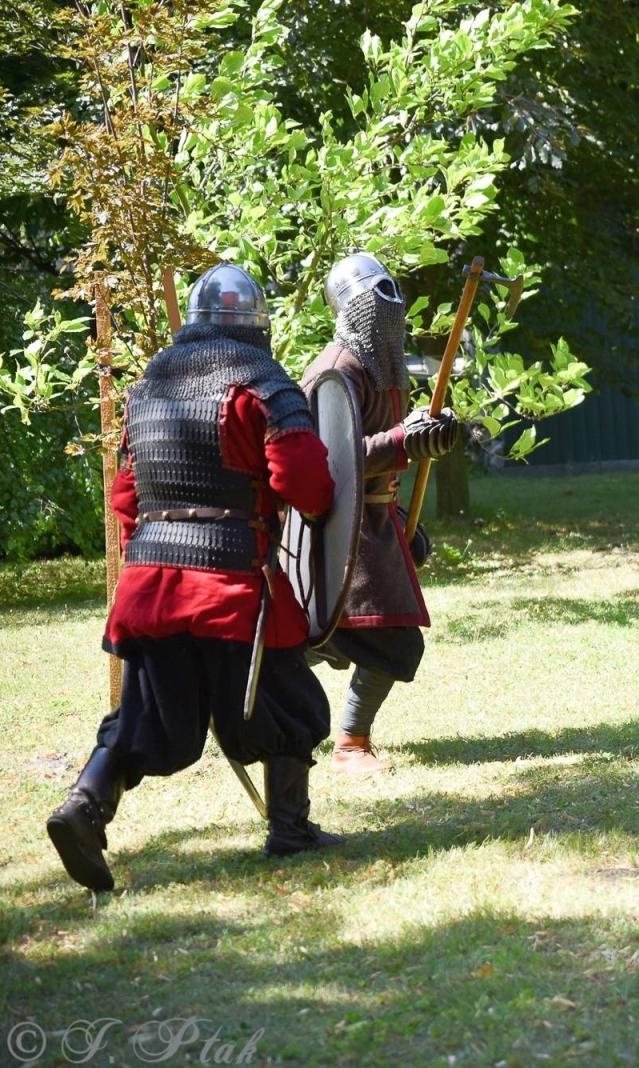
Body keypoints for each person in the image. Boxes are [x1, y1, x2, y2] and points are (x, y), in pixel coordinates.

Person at [45, 263, 342, 893]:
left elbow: (126, 496)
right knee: (287, 702)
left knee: (149, 720)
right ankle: (290, 830)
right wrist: (318, 512)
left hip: (151, 583)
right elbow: (305, 481)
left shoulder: (149, 386)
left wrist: (152, 552)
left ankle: (84, 806)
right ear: (256, 325)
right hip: (231, 588)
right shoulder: (264, 383)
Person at [302, 252, 460, 773]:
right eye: (375, 298)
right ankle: (350, 744)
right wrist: (403, 440)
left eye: (391, 294)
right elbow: (328, 461)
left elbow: (396, 447)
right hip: (343, 531)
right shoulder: (334, 371)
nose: (388, 307)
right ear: (349, 307)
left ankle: (262, 674)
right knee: (391, 640)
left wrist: (428, 435)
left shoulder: (384, 367)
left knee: (350, 636)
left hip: (376, 523)